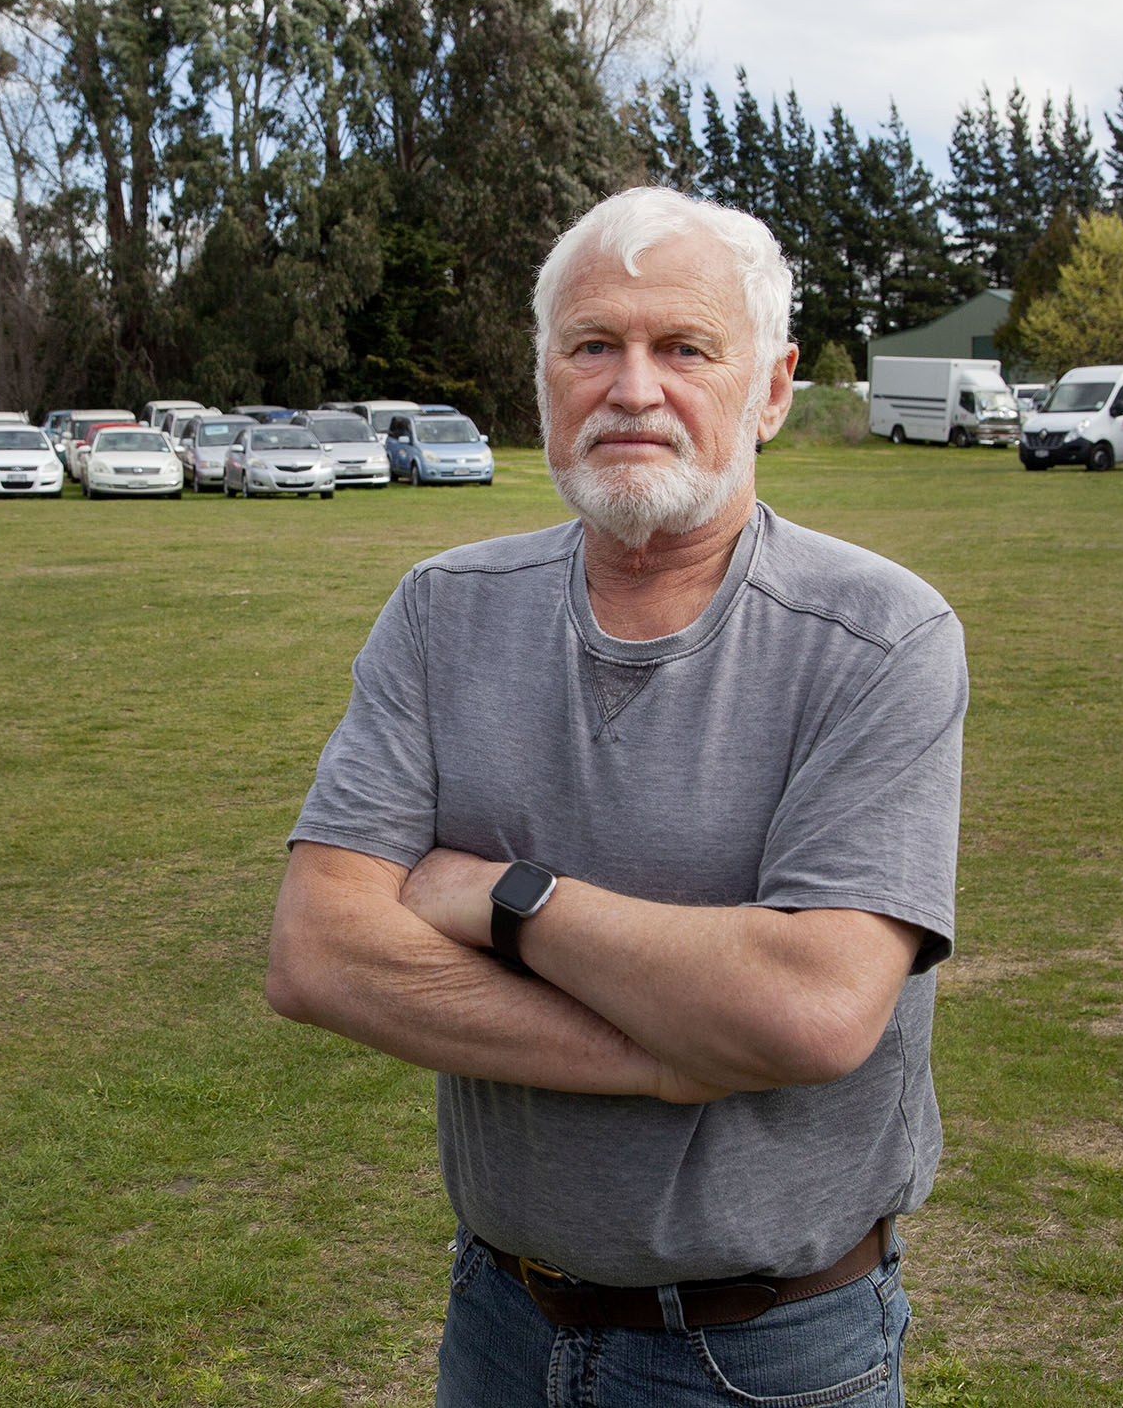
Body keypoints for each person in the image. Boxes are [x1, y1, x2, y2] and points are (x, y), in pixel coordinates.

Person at [265, 186, 965, 1407]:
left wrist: (502, 897)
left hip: (768, 1354)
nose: (632, 388)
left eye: (684, 348)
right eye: (593, 345)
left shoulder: (876, 636)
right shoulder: (443, 612)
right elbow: (320, 952)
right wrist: (660, 1057)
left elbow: (811, 1013)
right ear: (545, 379)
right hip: (500, 1321)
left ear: (773, 388)